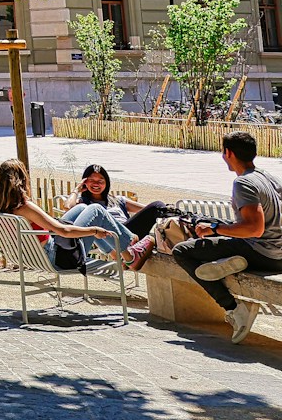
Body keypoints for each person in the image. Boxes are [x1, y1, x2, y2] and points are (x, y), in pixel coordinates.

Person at [170, 131, 282, 344]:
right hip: (279, 256)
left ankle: (234, 309)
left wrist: (214, 228)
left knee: (182, 251)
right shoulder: (271, 178)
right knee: (219, 248)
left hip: (260, 252)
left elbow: (254, 229)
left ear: (228, 153)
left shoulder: (244, 183)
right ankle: (230, 263)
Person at [0, 159, 118, 267]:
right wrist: (94, 231)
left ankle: (117, 253)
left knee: (82, 207)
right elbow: (64, 231)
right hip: (56, 257)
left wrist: (76, 191)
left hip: (31, 255)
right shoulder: (25, 207)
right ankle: (125, 254)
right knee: (95, 209)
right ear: (22, 180)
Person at [60, 163, 175, 270]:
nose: (96, 184)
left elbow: (148, 210)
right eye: (91, 180)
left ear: (107, 183)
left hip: (129, 232)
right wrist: (76, 190)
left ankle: (176, 237)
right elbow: (68, 207)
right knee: (97, 217)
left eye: (100, 181)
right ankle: (122, 254)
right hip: (111, 237)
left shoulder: (118, 200)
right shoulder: (84, 204)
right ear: (85, 182)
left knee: (158, 206)